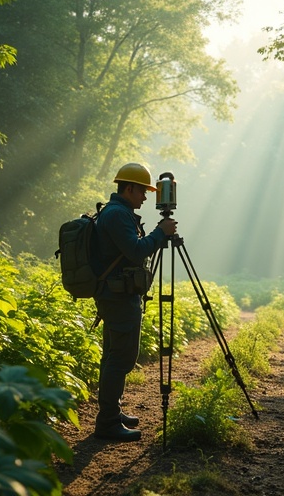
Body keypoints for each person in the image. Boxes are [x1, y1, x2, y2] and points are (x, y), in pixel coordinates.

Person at [92, 162, 177, 442]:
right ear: (129, 188)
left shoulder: (116, 212)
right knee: (120, 358)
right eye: (142, 192)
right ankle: (107, 423)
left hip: (115, 294)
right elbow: (136, 251)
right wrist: (160, 233)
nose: (145, 198)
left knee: (113, 356)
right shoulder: (117, 215)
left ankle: (112, 413)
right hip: (118, 297)